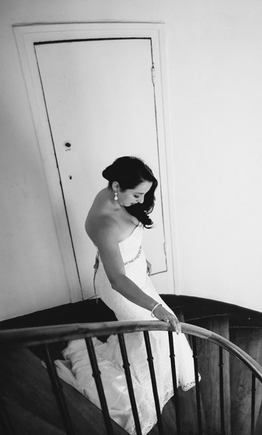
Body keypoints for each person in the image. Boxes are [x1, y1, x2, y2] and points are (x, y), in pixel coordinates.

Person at [82, 156, 198, 434]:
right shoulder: (105, 221)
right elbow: (118, 280)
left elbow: (119, 245)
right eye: (136, 194)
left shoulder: (112, 196)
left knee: (152, 333)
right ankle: (145, 390)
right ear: (117, 186)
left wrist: (136, 257)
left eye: (145, 194)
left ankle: (153, 365)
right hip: (121, 287)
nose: (140, 200)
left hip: (135, 273)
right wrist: (155, 307)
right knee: (158, 331)